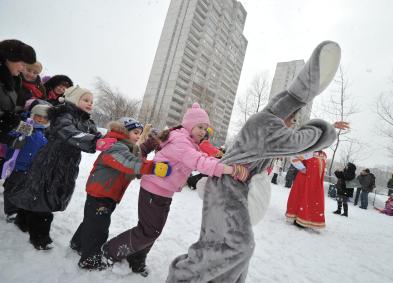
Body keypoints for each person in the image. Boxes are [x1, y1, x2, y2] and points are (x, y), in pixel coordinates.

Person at [166, 41, 343, 282]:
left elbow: (294, 142)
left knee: (224, 246)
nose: (292, 126)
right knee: (237, 247)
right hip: (226, 188)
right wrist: (327, 129)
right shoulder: (266, 124)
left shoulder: (268, 124)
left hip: (230, 187)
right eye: (293, 120)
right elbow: (298, 142)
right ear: (286, 116)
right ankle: (181, 277)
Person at [101, 103, 246, 276]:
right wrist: (231, 169)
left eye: (205, 128)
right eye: (200, 126)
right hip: (154, 190)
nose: (202, 131)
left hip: (162, 191)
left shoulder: (189, 142)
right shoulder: (181, 142)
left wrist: (225, 162)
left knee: (152, 230)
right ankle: (110, 252)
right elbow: (200, 162)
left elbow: (203, 156)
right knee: (148, 230)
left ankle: (136, 260)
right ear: (189, 124)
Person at [70, 117, 170, 270]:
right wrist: (152, 167)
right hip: (101, 192)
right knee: (99, 227)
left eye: (140, 133)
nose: (138, 136)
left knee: (92, 221)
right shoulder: (116, 145)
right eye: (135, 132)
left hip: (107, 192)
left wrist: (151, 147)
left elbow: (136, 165)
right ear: (124, 131)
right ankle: (89, 259)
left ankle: (78, 243)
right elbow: (129, 163)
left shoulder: (128, 147)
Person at [8, 85, 101, 250]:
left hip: (67, 165)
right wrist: (94, 141)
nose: (90, 104)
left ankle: (22, 219)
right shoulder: (63, 115)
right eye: (85, 100)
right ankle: (40, 237)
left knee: (42, 194)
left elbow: (97, 135)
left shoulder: (86, 121)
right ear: (73, 99)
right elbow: (69, 132)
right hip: (50, 162)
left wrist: (110, 140)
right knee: (44, 198)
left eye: (92, 101)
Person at [3, 100, 51, 224]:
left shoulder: (44, 134)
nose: (40, 119)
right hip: (17, 165)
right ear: (32, 115)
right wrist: (15, 138)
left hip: (30, 168)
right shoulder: (26, 126)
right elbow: (11, 135)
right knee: (11, 188)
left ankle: (18, 207)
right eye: (38, 116)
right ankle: (11, 211)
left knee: (22, 188)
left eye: (44, 118)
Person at [0, 39, 36, 145]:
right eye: (23, 64)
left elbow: (6, 110)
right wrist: (11, 121)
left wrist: (21, 120)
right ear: (9, 58)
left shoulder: (12, 81)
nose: (23, 69)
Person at [286, 151, 328, 228]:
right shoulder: (309, 151)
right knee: (302, 197)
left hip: (316, 183)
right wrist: (301, 167)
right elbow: (294, 157)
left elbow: (323, 167)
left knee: (312, 200)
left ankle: (309, 219)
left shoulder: (324, 155)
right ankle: (298, 218)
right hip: (304, 179)